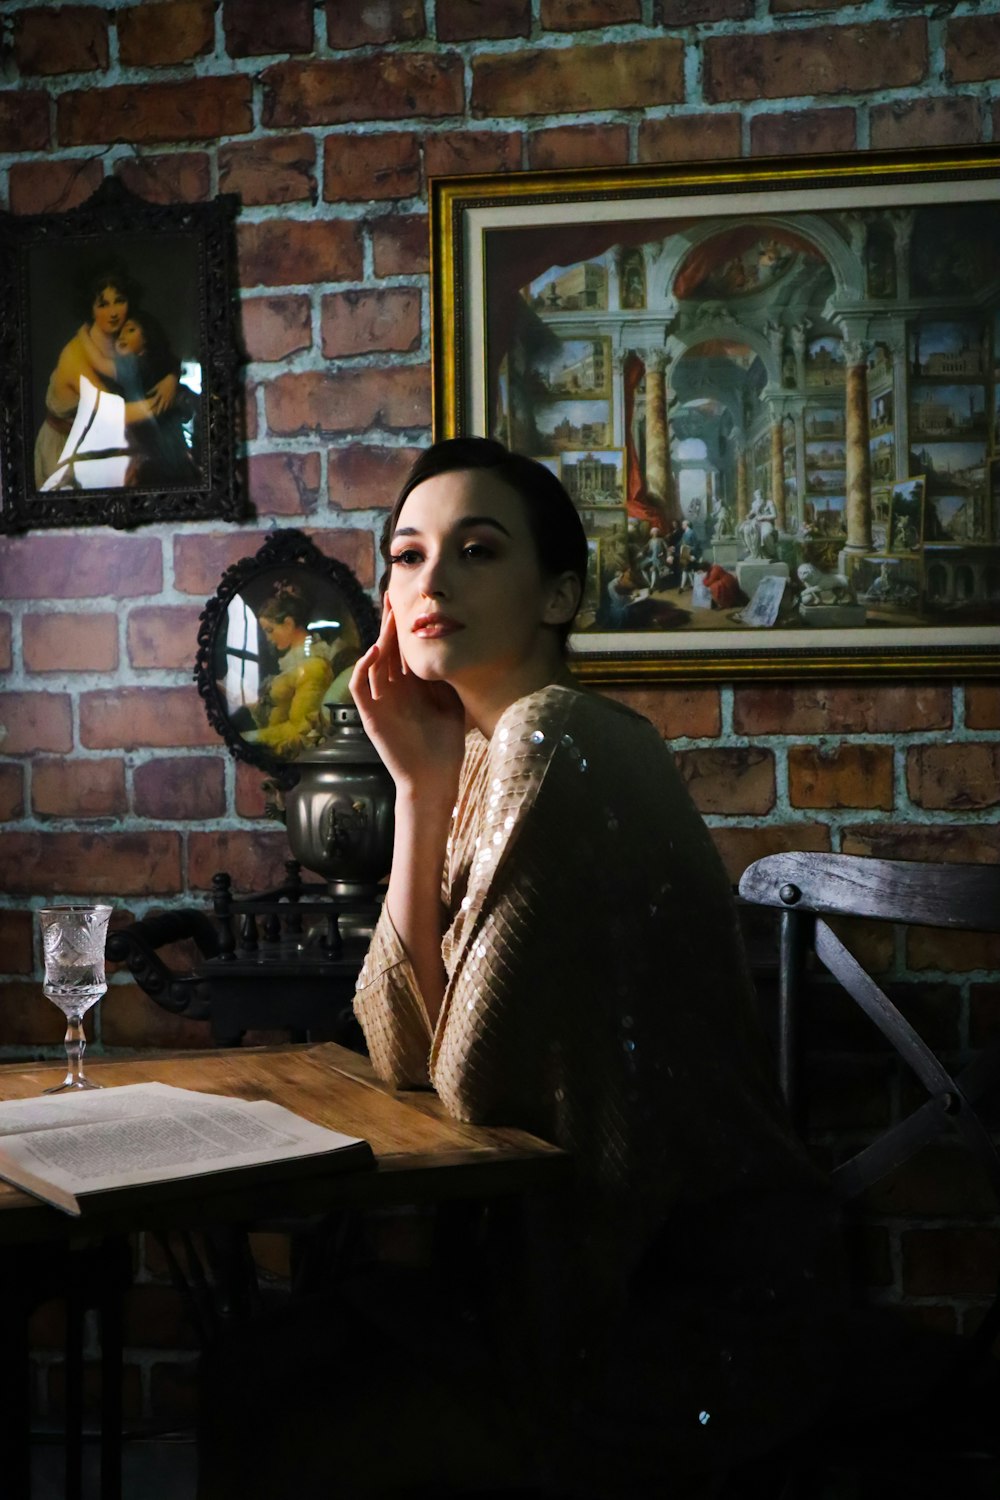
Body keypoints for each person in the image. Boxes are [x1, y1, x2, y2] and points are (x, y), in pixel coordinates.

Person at [198, 439, 846, 1499]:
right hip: (563, 1277)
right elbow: (401, 1048)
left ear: (559, 593)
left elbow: (458, 1086)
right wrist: (416, 787)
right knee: (262, 1370)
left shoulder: (556, 742)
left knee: (278, 1397)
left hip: (686, 1314)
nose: (429, 582)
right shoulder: (490, 756)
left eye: (476, 550)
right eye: (405, 556)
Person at [33, 261, 178, 489]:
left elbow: (158, 357)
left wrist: (172, 378)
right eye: (103, 304)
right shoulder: (75, 355)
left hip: (106, 444)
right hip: (66, 452)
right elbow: (111, 413)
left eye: (119, 301)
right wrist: (161, 403)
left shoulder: (123, 339)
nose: (113, 313)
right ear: (90, 308)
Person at [244, 583, 355, 755]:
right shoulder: (294, 661)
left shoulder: (313, 663)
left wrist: (252, 736)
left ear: (288, 624)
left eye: (269, 630)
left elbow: (302, 729)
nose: (268, 638)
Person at [114, 309, 198, 486]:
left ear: (145, 338)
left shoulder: (152, 369)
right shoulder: (121, 371)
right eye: (120, 332)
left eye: (130, 330)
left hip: (162, 457)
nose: (122, 336)